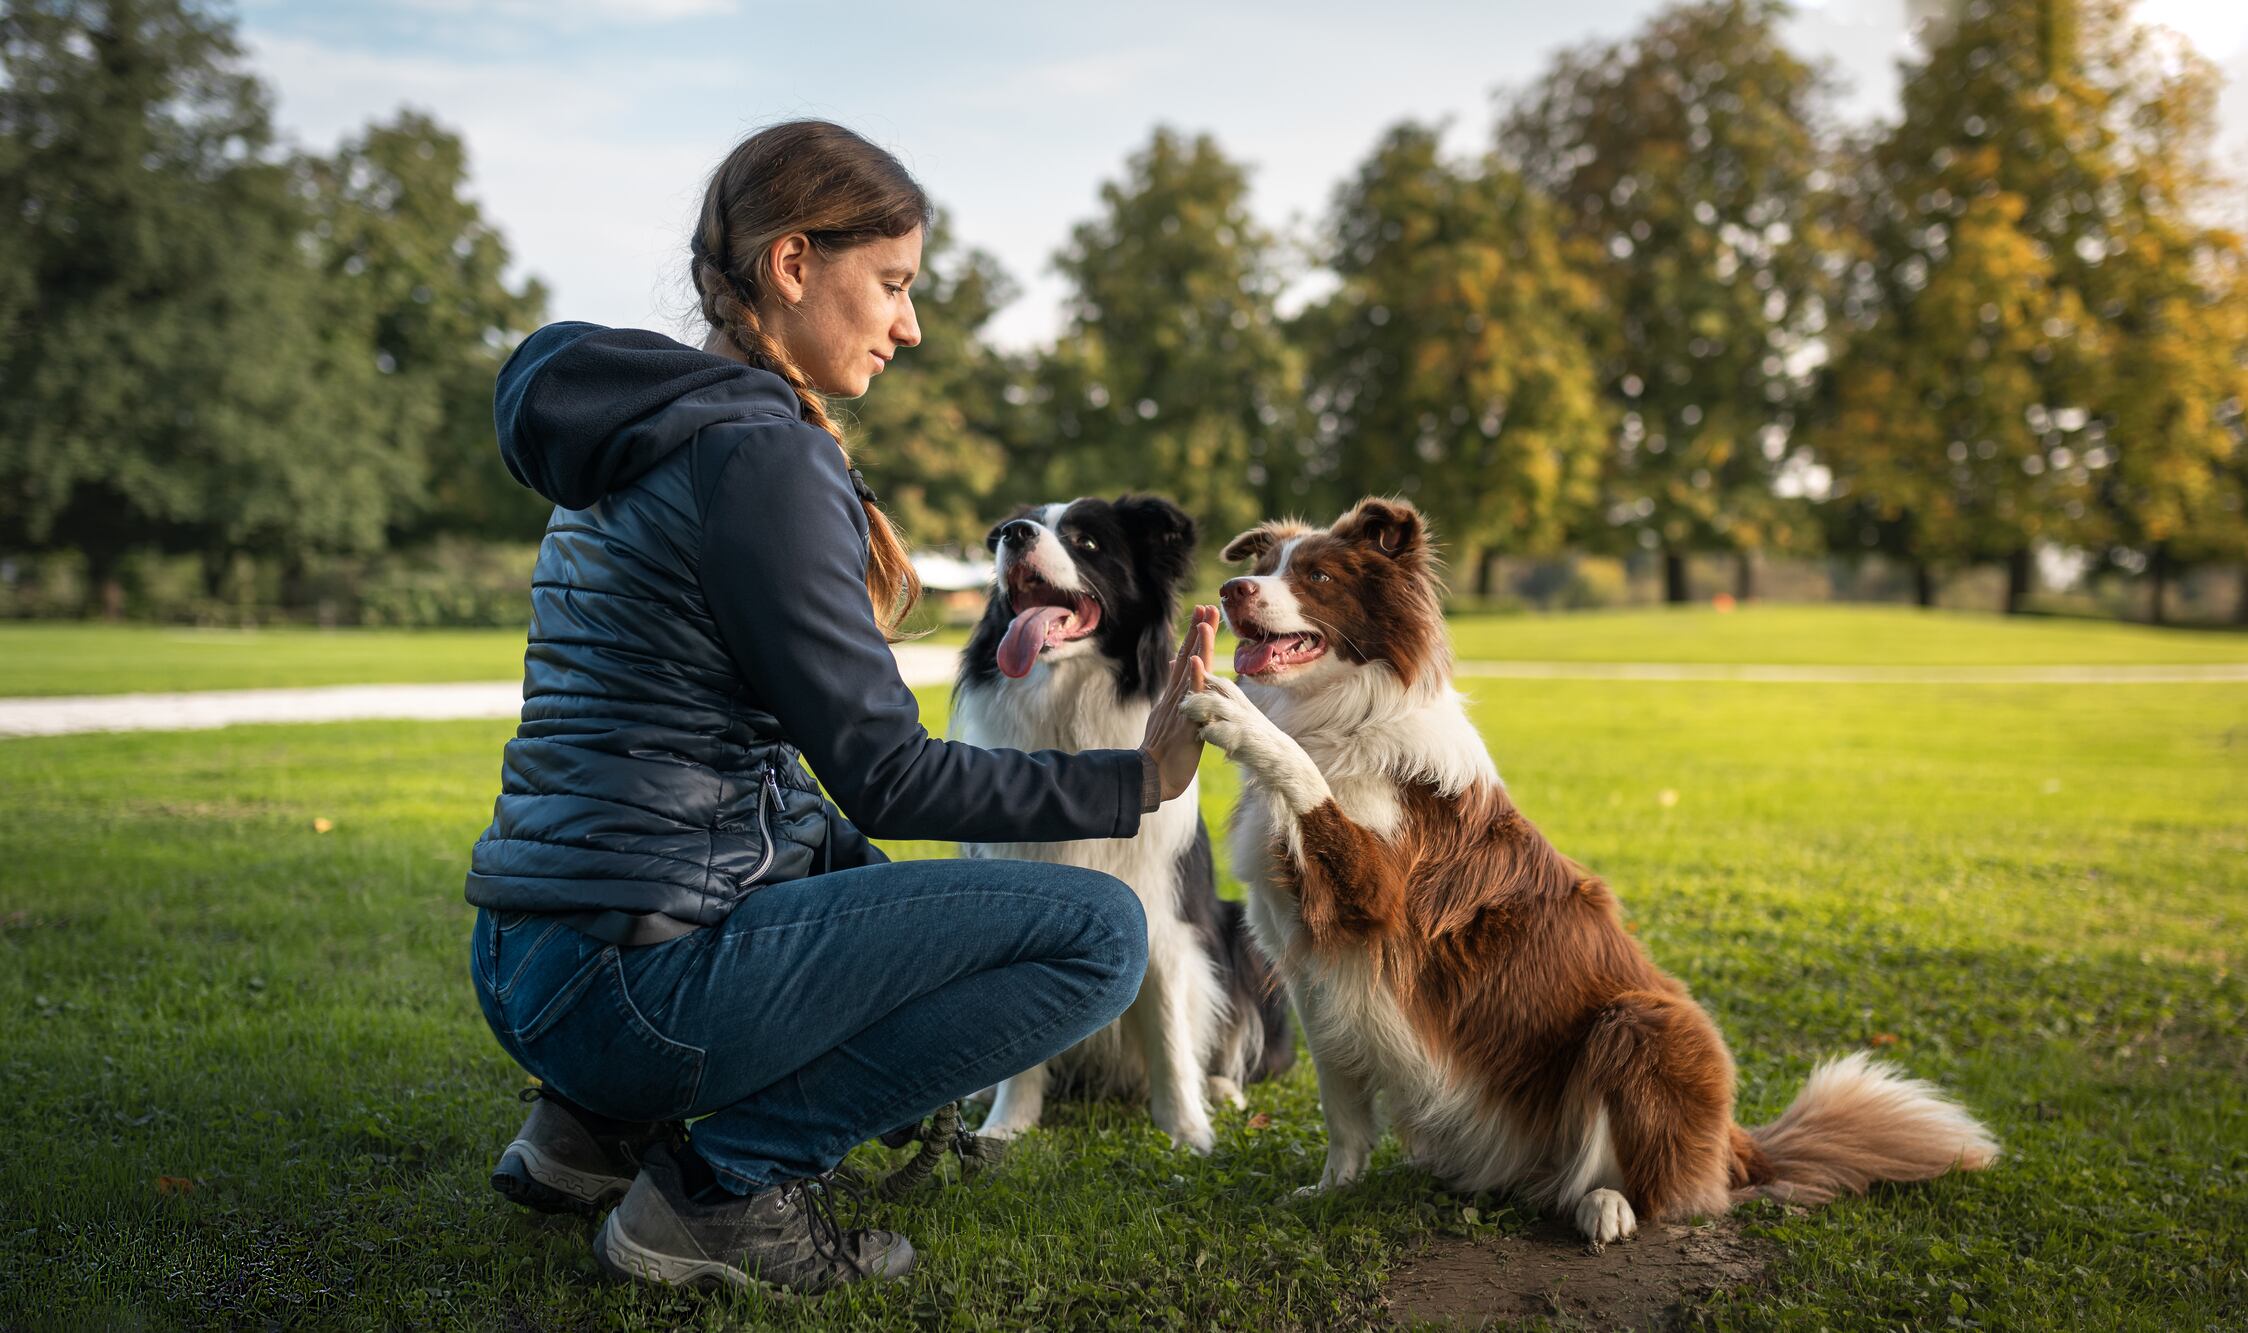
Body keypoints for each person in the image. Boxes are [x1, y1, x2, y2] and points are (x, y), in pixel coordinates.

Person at [463, 120, 1219, 1295]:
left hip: (526, 955)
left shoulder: (636, 436)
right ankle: (724, 1191)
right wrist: (1139, 780)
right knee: (1099, 933)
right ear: (794, 263)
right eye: (893, 285)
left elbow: (743, 774)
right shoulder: (759, 457)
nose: (909, 326)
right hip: (625, 987)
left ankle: (588, 1133)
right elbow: (888, 769)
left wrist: (893, 906)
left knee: (880, 878)